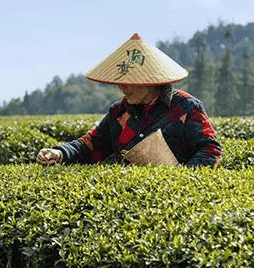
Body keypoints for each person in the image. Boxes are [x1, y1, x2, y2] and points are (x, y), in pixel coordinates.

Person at [36, 33, 222, 168]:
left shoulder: (185, 106)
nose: (122, 87)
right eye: (120, 82)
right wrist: (60, 153)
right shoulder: (119, 112)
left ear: (148, 81)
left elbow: (210, 150)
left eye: (128, 82)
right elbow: (92, 145)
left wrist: (181, 179)